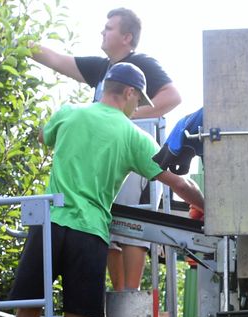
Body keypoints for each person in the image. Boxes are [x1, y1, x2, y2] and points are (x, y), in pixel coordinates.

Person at [6, 63, 204, 317]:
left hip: (49, 222)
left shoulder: (69, 113)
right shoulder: (133, 137)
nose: (137, 107)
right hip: (90, 233)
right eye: (137, 100)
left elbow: (44, 137)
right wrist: (207, 205)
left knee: (27, 312)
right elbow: (177, 182)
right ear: (128, 93)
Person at [30, 8, 182, 292]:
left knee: (132, 222)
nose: (102, 31)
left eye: (109, 28)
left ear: (127, 37)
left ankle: (130, 292)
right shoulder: (103, 69)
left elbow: (173, 96)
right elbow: (56, 60)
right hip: (108, 156)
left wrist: (126, 117)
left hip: (135, 151)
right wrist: (14, 42)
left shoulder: (141, 64)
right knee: (112, 224)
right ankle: (120, 291)